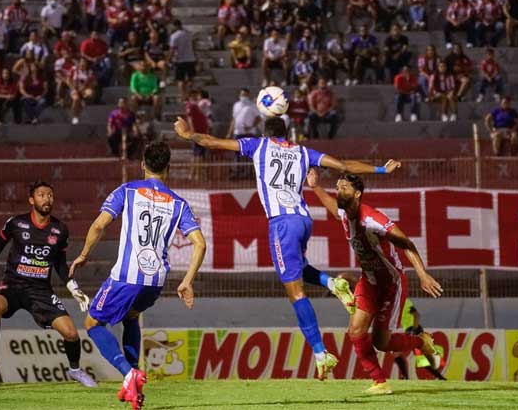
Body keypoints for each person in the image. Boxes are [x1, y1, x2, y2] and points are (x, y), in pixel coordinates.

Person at [174, 115, 402, 381]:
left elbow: (212, 142)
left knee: (295, 292)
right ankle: (332, 283)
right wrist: (381, 170)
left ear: (266, 133)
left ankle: (320, 353)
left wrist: (187, 135)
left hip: (281, 223)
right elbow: (343, 165)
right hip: (304, 220)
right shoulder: (302, 151)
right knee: (297, 267)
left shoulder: (259, 145)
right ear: (287, 133)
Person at [69, 142, 206, 410]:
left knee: (93, 323)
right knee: (131, 317)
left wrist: (84, 254)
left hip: (127, 276)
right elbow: (200, 244)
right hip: (155, 280)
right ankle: (133, 384)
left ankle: (128, 373)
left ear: (143, 164)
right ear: (168, 168)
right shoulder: (179, 204)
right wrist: (187, 281)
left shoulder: (128, 191)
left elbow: (99, 225)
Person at [306, 169, 442, 396]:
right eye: (337, 188)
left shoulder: (372, 219)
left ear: (357, 193)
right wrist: (315, 187)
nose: (339, 191)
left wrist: (422, 274)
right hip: (369, 281)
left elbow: (406, 243)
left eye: (344, 188)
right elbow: (333, 208)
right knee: (355, 331)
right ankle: (380, 382)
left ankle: (420, 342)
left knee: (382, 343)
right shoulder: (344, 214)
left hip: (391, 284)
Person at [0, 181, 97, 390]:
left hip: (41, 291)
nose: (47, 199)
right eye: (41, 195)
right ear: (31, 199)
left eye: (50, 195)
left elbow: (60, 264)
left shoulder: (60, 230)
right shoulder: (16, 223)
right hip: (13, 285)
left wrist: (74, 288)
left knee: (71, 333)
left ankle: (74, 370)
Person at [392, 299, 447, 381]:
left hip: (415, 330)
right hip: (410, 330)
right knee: (421, 359)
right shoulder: (397, 303)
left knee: (399, 352)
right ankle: (440, 377)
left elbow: (417, 315)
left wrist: (414, 330)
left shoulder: (405, 301)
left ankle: (405, 377)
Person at [168, 19, 196, 99]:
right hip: (190, 58)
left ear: (175, 26)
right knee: (191, 78)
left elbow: (172, 49)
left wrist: (169, 59)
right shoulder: (189, 33)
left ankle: (182, 95)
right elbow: (193, 45)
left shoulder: (174, 36)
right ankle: (188, 93)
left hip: (180, 60)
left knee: (180, 79)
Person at [68, 58, 97, 125]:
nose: (82, 64)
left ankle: (83, 102)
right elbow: (68, 80)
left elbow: (94, 83)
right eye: (81, 62)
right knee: (76, 100)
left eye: (84, 62)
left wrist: (89, 83)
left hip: (84, 90)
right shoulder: (74, 69)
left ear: (86, 64)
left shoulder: (89, 72)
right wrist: (73, 89)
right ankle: (75, 116)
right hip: (75, 89)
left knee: (90, 94)